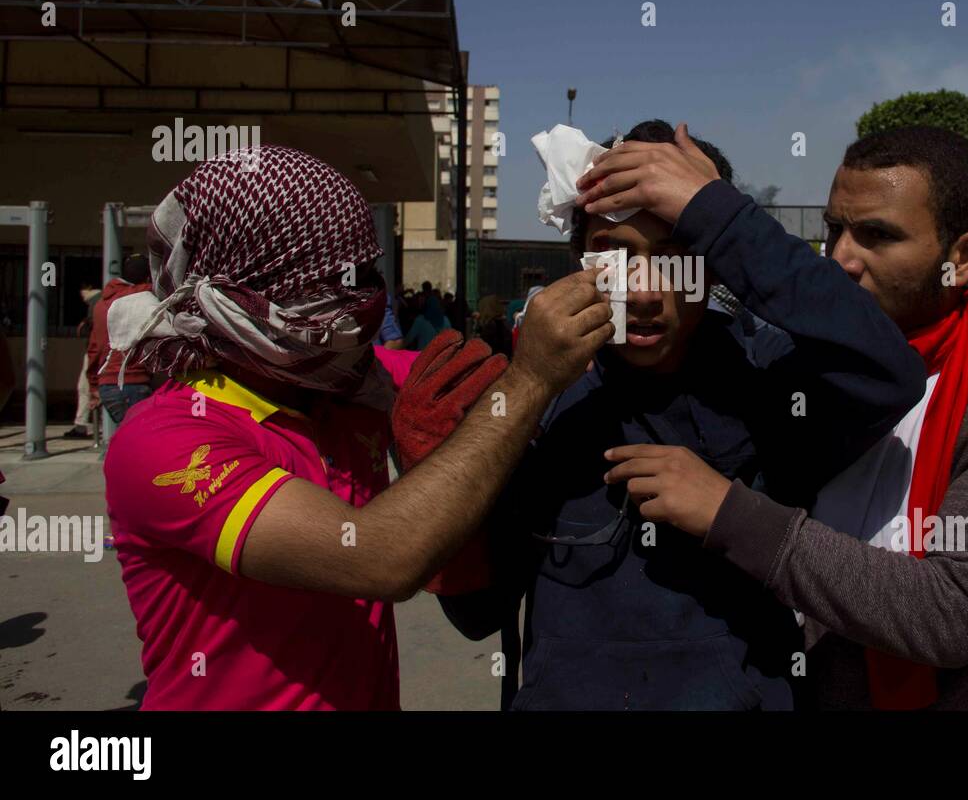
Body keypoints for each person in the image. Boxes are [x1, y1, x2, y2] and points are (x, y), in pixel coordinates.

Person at [572, 124, 968, 709]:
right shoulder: (795, 365)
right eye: (833, 230)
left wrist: (731, 514)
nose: (841, 258)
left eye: (877, 236)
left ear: (964, 256)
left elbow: (950, 614)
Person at [435, 119, 925, 710]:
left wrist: (721, 215)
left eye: (675, 259)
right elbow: (477, 614)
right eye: (613, 255)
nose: (643, 291)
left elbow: (889, 374)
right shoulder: (537, 396)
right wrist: (451, 485)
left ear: (716, 265)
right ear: (578, 261)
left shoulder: (767, 384)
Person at [103, 145, 612, 710]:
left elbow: (471, 385)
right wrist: (532, 379)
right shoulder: (166, 441)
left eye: (369, 275)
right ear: (243, 298)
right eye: (336, 283)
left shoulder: (347, 384)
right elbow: (380, 557)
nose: (366, 301)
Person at [87, 254, 155, 425]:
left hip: (107, 385)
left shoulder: (101, 304)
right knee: (139, 440)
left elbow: (95, 347)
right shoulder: (144, 297)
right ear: (148, 276)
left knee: (128, 437)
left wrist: (93, 384)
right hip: (135, 381)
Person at [65, 281, 102, 439]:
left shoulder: (95, 302)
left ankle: (81, 426)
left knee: (85, 387)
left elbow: (94, 333)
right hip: (106, 352)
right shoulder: (103, 300)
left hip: (96, 351)